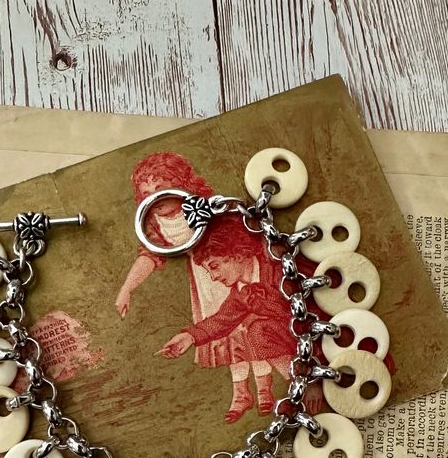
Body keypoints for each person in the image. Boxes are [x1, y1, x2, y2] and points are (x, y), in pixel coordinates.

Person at [118, 151, 322, 422]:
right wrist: (187, 335)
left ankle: (270, 388)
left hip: (311, 326)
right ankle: (245, 392)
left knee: (257, 329)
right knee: (238, 330)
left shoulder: (207, 211)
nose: (155, 197)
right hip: (212, 274)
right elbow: (222, 318)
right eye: (146, 193)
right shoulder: (155, 225)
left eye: (161, 188)